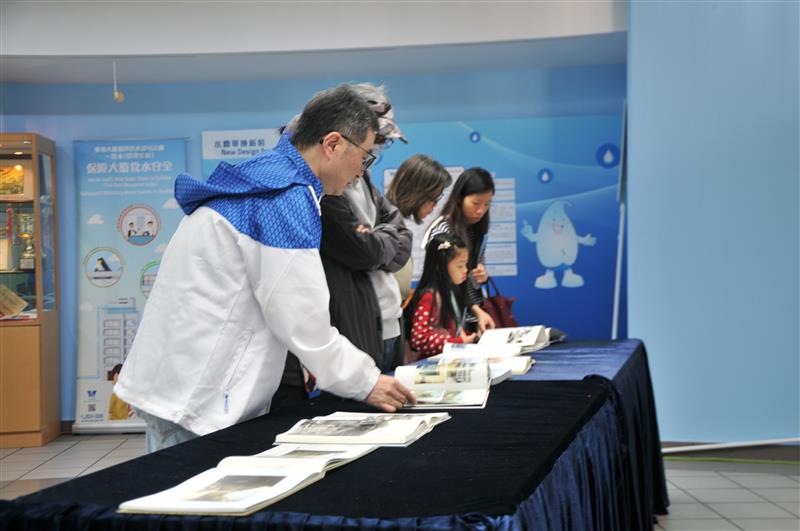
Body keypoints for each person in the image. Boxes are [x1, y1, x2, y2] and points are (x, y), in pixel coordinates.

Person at [114, 85, 415, 453]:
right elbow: (303, 322)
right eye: (365, 157)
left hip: (177, 383)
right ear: (333, 144)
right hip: (196, 398)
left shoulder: (263, 180)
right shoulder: (283, 199)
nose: (360, 172)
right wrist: (367, 381)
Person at [279, 83, 410, 391]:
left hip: (380, 321)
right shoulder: (306, 192)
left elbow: (398, 229)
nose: (364, 167)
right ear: (334, 143)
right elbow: (362, 252)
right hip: (347, 331)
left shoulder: (352, 179)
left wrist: (379, 238)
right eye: (369, 148)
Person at [422, 167, 496, 334]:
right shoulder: (442, 230)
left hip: (474, 316)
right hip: (451, 319)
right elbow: (444, 281)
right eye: (476, 203)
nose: (481, 210)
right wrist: (476, 310)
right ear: (459, 198)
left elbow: (474, 269)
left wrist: (482, 275)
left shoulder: (478, 229)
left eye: (487, 204)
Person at [385, 154, 453, 300]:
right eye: (434, 198)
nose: (435, 206)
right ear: (417, 192)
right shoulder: (384, 223)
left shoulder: (395, 222)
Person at [406, 233, 476, 359]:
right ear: (440, 266)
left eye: (466, 265)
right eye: (460, 266)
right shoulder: (429, 297)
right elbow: (418, 339)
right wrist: (458, 342)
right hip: (431, 364)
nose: (465, 270)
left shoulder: (452, 290)